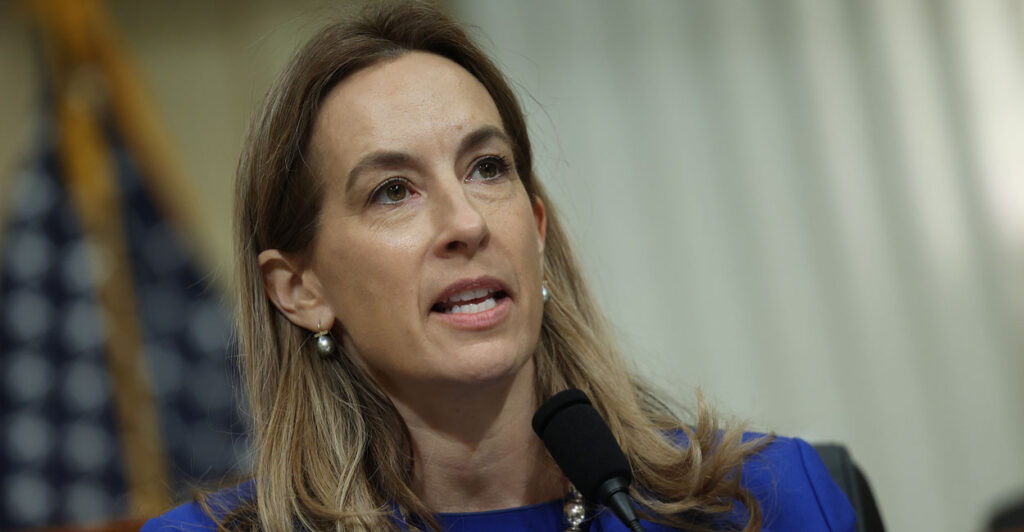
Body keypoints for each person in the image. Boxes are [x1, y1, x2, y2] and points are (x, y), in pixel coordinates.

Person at [142, 2, 856, 531]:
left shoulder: (769, 499)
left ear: (536, 228)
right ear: (299, 289)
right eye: (394, 190)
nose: (465, 223)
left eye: (487, 168)